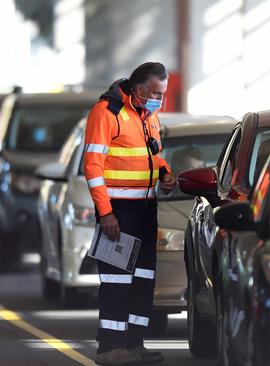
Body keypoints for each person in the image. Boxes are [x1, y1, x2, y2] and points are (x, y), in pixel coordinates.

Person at [83, 62, 177, 365]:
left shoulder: (148, 116)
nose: (158, 100)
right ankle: (110, 347)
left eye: (162, 94)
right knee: (116, 281)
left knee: (143, 279)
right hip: (118, 212)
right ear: (138, 90)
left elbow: (153, 155)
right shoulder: (107, 112)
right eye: (154, 94)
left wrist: (166, 173)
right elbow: (93, 167)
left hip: (146, 208)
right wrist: (106, 212)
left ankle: (135, 343)